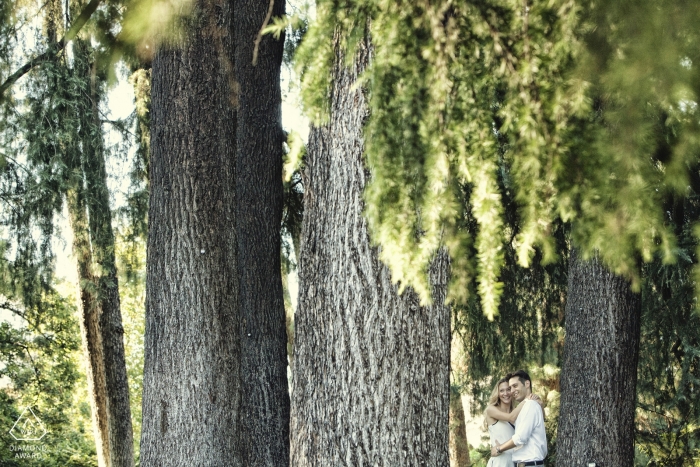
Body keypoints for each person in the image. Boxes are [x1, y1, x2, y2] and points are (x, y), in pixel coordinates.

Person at [490, 369, 547, 466]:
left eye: (515, 386)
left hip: (530, 464)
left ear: (527, 384)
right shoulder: (525, 407)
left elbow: (520, 437)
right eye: (510, 387)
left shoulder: (530, 405)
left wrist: (499, 449)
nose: (512, 391)